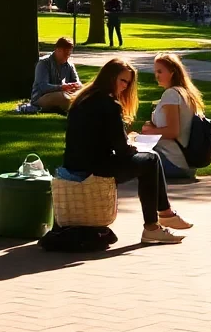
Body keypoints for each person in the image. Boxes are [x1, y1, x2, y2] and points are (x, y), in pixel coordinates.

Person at [63, 58, 191, 244]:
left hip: (75, 162)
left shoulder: (83, 98)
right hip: (95, 167)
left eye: (128, 83)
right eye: (123, 80)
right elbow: (121, 150)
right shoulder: (109, 104)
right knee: (151, 160)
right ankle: (155, 224)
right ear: (110, 77)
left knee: (149, 160)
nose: (125, 86)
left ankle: (163, 215)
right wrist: (133, 144)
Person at [140, 52, 204, 181]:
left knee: (125, 158)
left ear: (172, 72)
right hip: (182, 162)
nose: (156, 76)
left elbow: (172, 131)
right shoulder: (185, 93)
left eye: (160, 71)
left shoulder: (171, 95)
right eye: (155, 71)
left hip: (173, 161)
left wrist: (148, 132)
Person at [31, 37, 82, 111]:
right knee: (64, 97)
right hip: (41, 97)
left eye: (69, 54)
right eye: (65, 54)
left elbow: (77, 82)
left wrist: (75, 86)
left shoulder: (69, 64)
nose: (67, 57)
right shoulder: (44, 63)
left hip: (64, 93)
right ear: (58, 50)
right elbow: (43, 87)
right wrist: (62, 87)